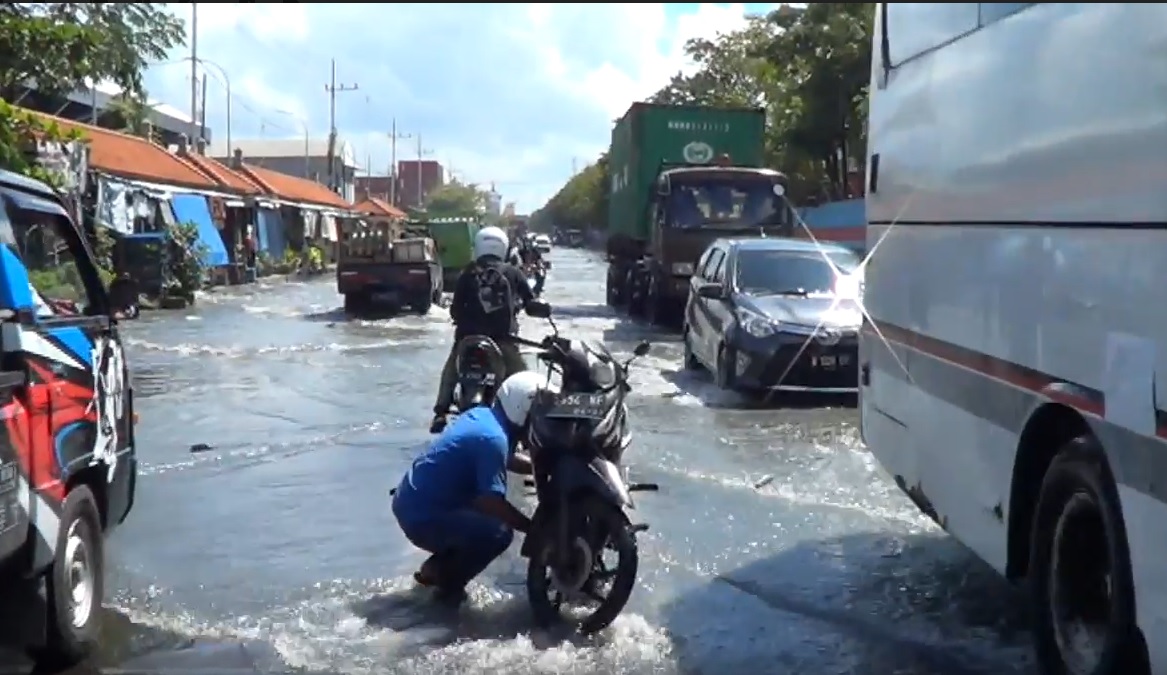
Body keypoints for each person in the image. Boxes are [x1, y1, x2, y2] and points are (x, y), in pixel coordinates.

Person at [394, 371, 545, 606]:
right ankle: (446, 586)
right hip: (422, 515)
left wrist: (540, 467)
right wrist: (533, 529)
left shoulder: (484, 417)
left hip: (413, 499)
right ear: (521, 409)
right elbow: (491, 502)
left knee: (485, 525)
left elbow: (504, 458)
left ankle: (433, 569)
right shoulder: (493, 439)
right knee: (498, 532)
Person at [431, 226, 536, 433]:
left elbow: (455, 309)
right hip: (504, 341)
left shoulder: (468, 273)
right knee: (525, 380)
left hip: (467, 339)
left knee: (450, 371)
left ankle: (440, 413)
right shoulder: (513, 272)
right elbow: (531, 301)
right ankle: (530, 423)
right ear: (503, 247)